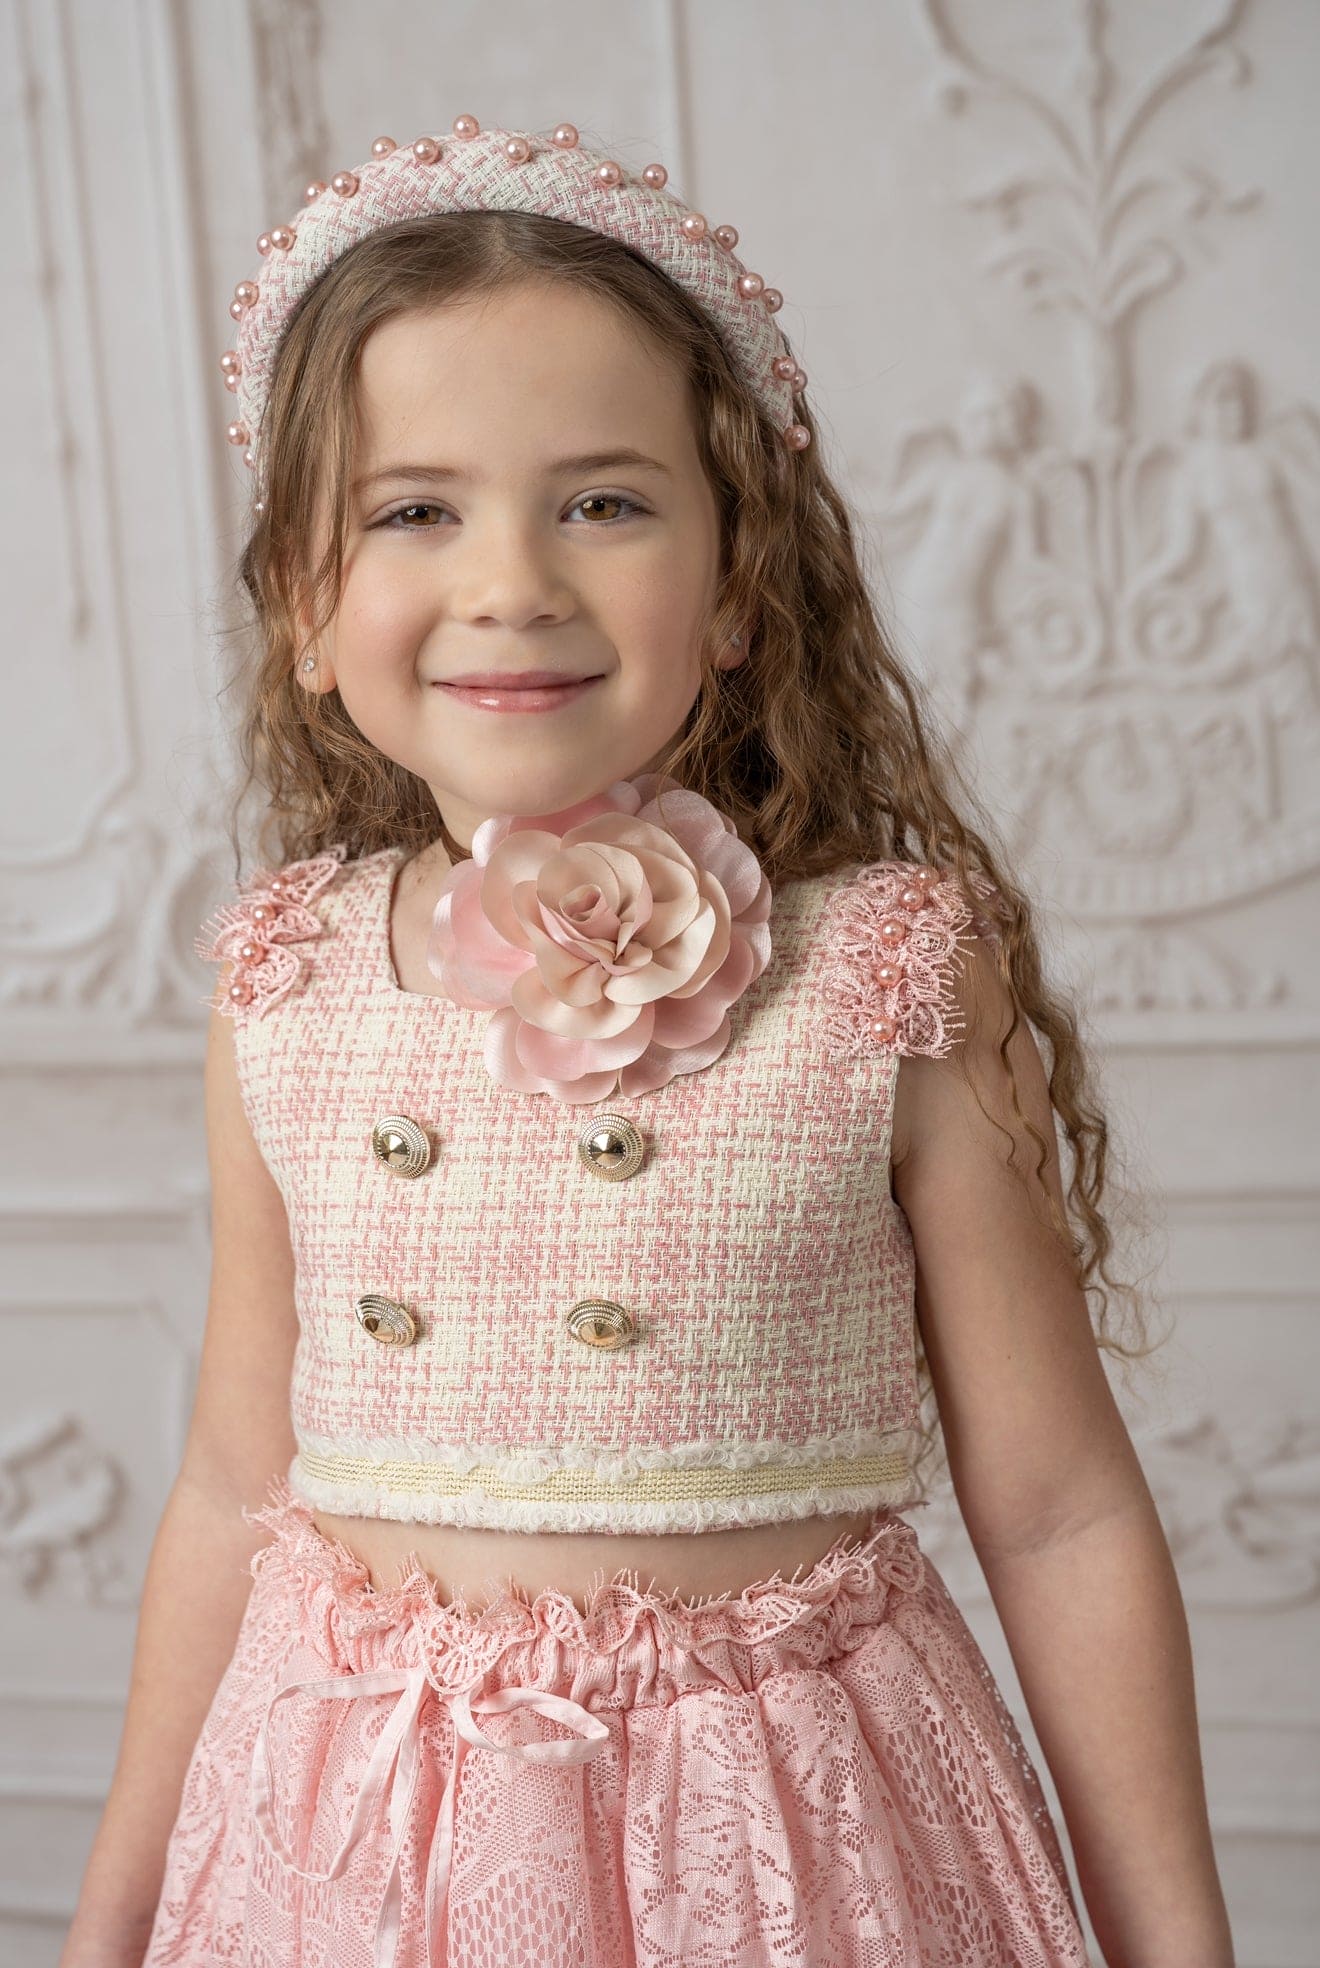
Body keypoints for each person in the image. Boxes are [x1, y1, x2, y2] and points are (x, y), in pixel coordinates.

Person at [61, 115, 1234, 1968]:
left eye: (602, 500)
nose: (513, 578)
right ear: (304, 605)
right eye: (412, 508)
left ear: (745, 580)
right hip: (361, 1855)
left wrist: (1180, 1947)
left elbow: (1065, 1510)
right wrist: (112, 1917)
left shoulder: (890, 975)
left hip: (792, 1842)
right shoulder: (285, 982)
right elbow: (229, 1483)